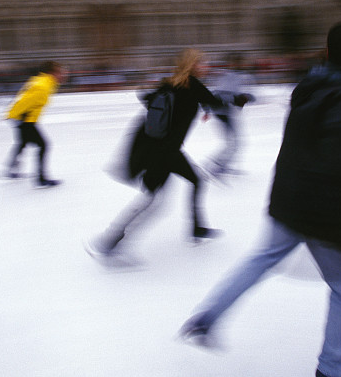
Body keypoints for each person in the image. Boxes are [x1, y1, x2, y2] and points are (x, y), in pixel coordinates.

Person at [179, 21, 341, 377]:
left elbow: (304, 144)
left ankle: (206, 316)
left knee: (260, 259)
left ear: (328, 52)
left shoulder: (310, 86)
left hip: (288, 196)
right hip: (323, 208)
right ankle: (334, 371)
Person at [86, 49, 246, 260]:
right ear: (193, 65)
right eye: (203, 63)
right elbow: (216, 102)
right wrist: (239, 99)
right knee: (154, 200)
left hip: (158, 148)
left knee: (195, 181)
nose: (206, 67)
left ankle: (197, 228)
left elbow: (147, 97)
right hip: (165, 152)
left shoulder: (170, 84)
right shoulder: (192, 85)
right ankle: (110, 241)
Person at [3, 61, 67, 187]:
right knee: (43, 145)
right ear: (52, 73)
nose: (63, 75)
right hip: (24, 119)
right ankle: (41, 178)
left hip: (21, 118)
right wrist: (19, 118)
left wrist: (13, 116)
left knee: (23, 143)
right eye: (60, 72)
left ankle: (10, 169)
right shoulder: (43, 85)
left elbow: (23, 97)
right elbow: (25, 102)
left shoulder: (42, 81)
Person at [204, 52, 255, 178]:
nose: (241, 64)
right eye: (238, 62)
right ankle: (217, 165)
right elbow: (218, 94)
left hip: (225, 112)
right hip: (223, 112)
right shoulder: (228, 76)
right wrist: (238, 98)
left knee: (234, 142)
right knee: (235, 142)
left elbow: (249, 96)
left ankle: (219, 164)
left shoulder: (234, 76)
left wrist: (246, 97)